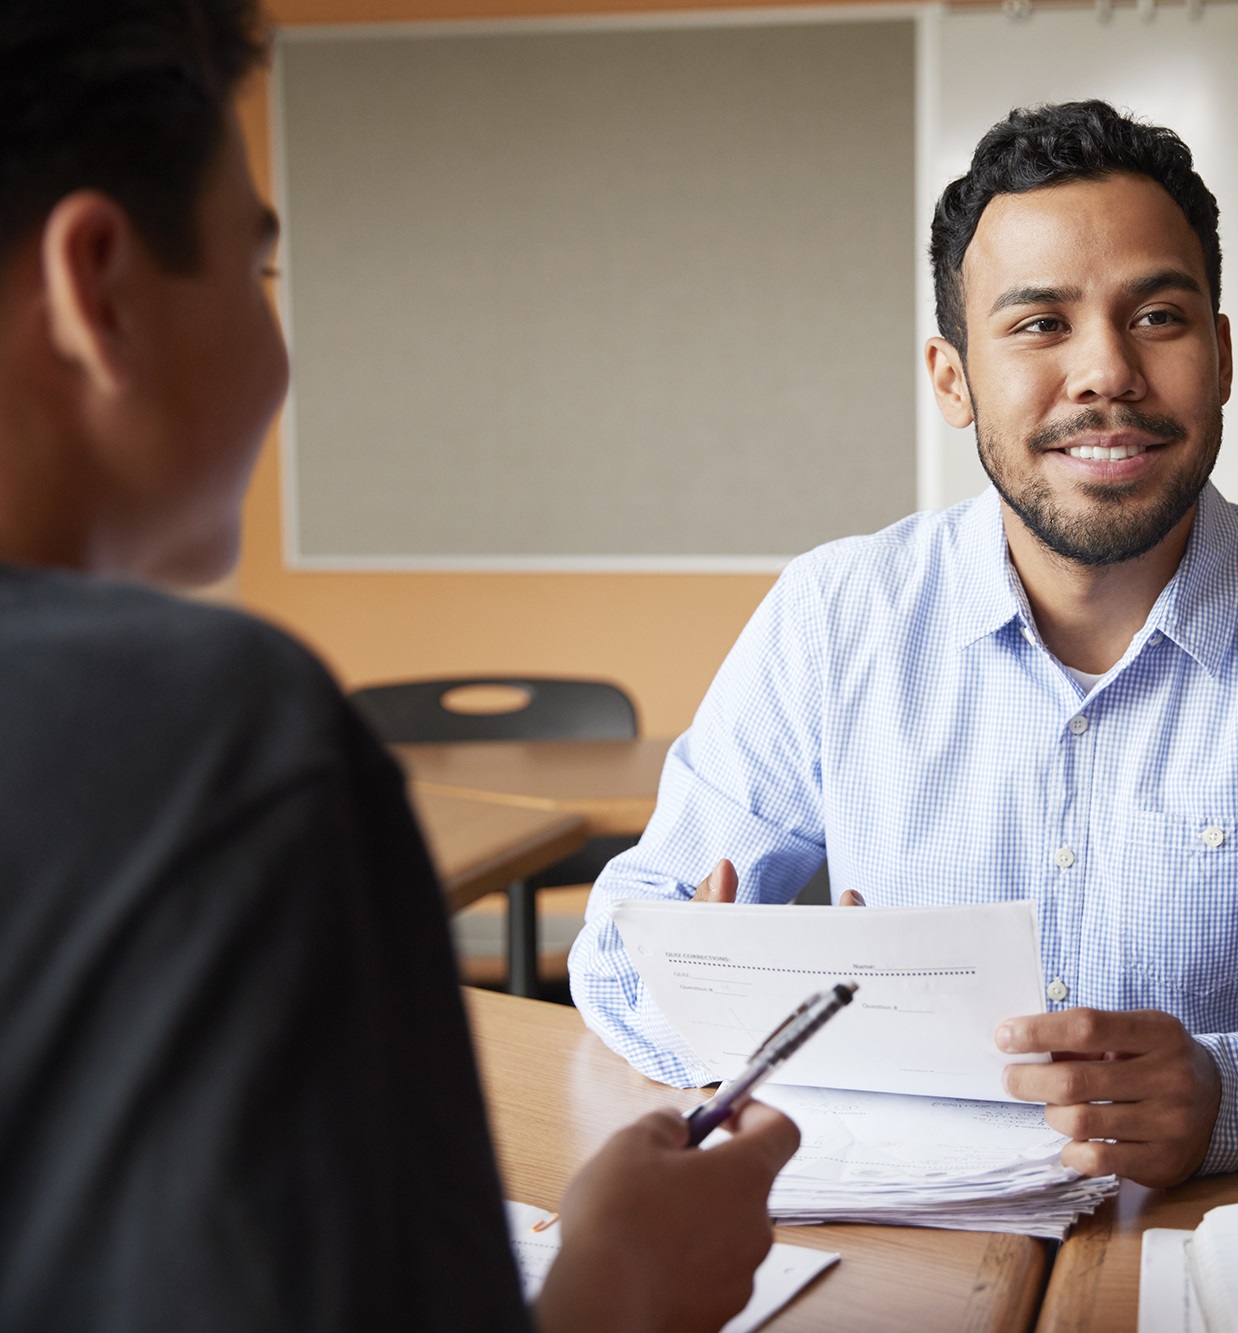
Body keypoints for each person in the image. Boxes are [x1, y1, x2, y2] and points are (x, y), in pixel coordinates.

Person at [570, 99, 1238, 1188]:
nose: (1105, 373)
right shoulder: (835, 617)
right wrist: (723, 996)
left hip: (1224, 1239)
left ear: (1220, 356)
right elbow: (620, 944)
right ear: (953, 380)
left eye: (1158, 317)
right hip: (898, 1239)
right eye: (1039, 325)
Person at [0, 3, 797, 1329]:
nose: (276, 357)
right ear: (101, 288)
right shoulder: (226, 746)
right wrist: (615, 1287)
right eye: (258, 277)